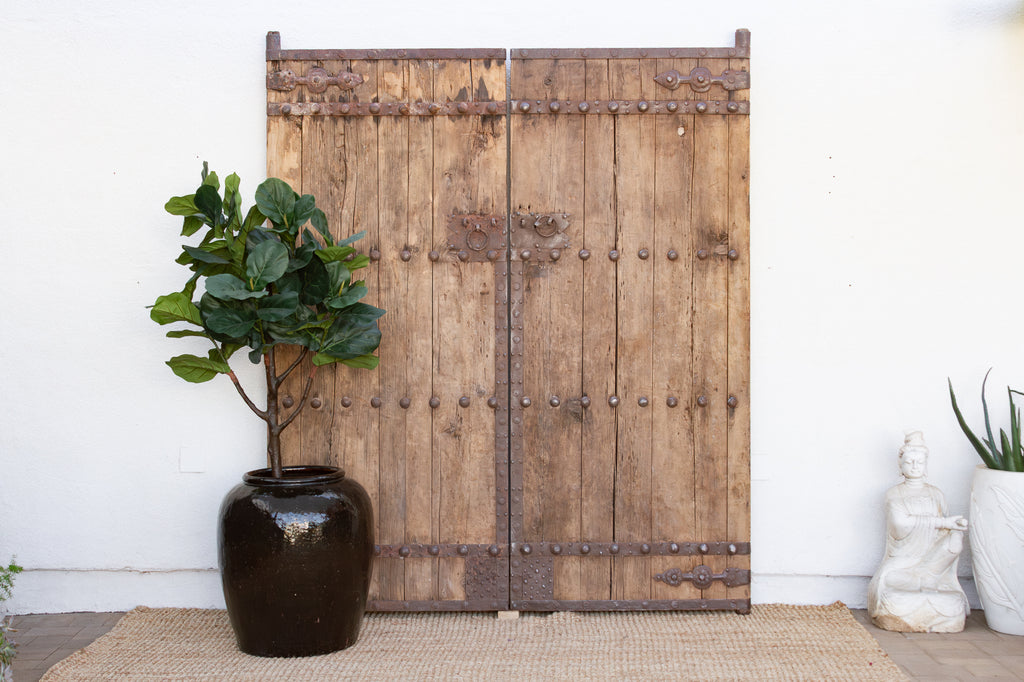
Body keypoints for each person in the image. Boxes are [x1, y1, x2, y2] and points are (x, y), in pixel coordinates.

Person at [867, 431, 969, 632]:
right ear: (900, 465)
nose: (914, 466)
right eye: (909, 462)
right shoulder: (895, 494)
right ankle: (924, 587)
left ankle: (928, 582)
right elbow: (900, 524)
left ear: (926, 465)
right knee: (893, 596)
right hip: (902, 566)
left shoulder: (936, 494)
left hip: (931, 565)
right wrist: (943, 521)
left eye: (919, 462)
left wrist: (954, 529)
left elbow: (944, 537)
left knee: (954, 545)